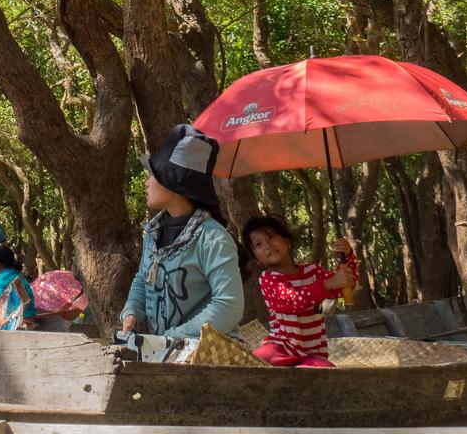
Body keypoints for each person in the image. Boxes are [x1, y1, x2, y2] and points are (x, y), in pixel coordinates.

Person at [118, 124, 243, 342]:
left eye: (153, 175)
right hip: (168, 352)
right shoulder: (152, 234)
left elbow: (229, 305)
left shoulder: (212, 238)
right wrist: (131, 313)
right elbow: (142, 278)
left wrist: (173, 337)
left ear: (174, 183)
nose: (147, 183)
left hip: (207, 357)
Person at [243, 215, 355, 369]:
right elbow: (293, 300)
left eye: (271, 237)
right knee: (250, 362)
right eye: (258, 244)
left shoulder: (314, 272)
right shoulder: (268, 279)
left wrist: (348, 256)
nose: (268, 245)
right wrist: (329, 283)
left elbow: (348, 284)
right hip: (280, 348)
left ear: (287, 242)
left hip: (313, 354)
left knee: (325, 370)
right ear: (256, 258)